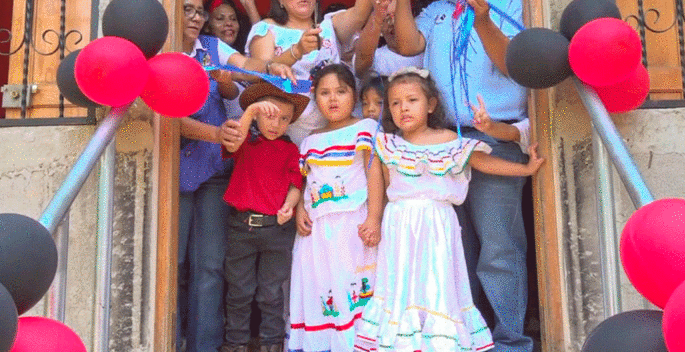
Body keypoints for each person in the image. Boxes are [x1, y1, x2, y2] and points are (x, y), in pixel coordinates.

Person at [391, 0, 534, 351]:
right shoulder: (436, 8)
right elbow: (406, 45)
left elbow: (515, 65)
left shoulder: (514, 1)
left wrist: (484, 20)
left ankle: (510, 342)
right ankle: (467, 340)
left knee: (499, 250)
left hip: (494, 140)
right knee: (456, 249)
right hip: (444, 145)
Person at [354, 68, 544, 352]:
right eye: (394, 103)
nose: (403, 108)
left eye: (412, 100)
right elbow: (377, 181)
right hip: (399, 227)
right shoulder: (388, 144)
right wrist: (373, 218)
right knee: (400, 286)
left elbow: (484, 163)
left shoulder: (451, 142)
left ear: (430, 105)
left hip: (436, 226)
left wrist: (525, 169)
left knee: (437, 283)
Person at [288, 63, 382, 352]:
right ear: (315, 98)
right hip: (317, 233)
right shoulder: (310, 140)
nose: (333, 99)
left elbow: (373, 172)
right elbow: (304, 182)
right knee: (323, 285)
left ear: (353, 96)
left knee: (354, 285)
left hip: (354, 227)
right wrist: (300, 211)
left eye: (341, 92)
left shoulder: (365, 128)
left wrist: (375, 218)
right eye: (325, 93)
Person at [245, 0, 387, 144]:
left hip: (337, 133)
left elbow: (360, 13)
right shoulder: (266, 29)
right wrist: (298, 51)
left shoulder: (329, 25)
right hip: (286, 137)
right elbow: (260, 73)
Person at [219, 82, 309, 352]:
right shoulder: (246, 142)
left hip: (276, 229)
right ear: (257, 115)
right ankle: (235, 344)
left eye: (284, 119)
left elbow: (296, 184)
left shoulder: (291, 150)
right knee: (239, 291)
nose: (276, 124)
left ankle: (271, 344)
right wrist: (249, 112)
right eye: (270, 115)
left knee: (271, 292)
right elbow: (232, 142)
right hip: (241, 227)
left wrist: (290, 206)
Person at [177, 0, 239, 352]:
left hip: (213, 173)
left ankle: (205, 346)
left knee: (211, 266)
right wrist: (216, 133)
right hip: (175, 176)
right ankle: (171, 340)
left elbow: (245, 68)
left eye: (199, 11)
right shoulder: (161, 53)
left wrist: (285, 58)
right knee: (176, 265)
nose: (196, 17)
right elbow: (168, 118)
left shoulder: (214, 49)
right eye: (188, 9)